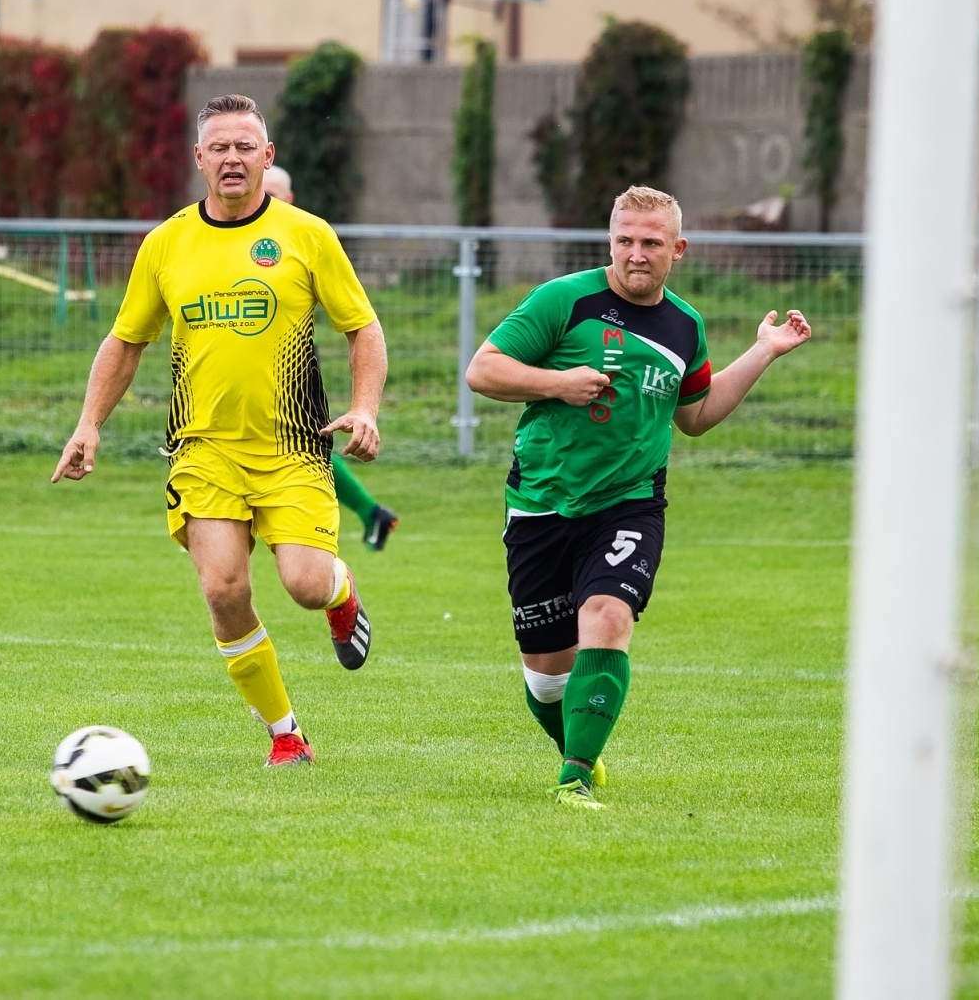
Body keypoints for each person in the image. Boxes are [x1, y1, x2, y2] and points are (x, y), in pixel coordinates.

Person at [52, 94, 387, 768]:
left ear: (267, 156)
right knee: (223, 588)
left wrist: (366, 406)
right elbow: (125, 340)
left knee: (301, 581)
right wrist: (89, 424)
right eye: (219, 147)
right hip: (203, 450)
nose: (232, 158)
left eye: (245, 146)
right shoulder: (167, 242)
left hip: (292, 447)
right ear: (198, 158)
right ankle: (285, 731)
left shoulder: (307, 235)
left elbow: (363, 327)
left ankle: (340, 590)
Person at [465, 186, 811, 810]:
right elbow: (483, 370)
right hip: (542, 502)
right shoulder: (564, 301)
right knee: (546, 682)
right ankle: (577, 746)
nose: (636, 253)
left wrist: (763, 351)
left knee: (608, 615)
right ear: (610, 241)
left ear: (677, 249)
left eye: (651, 243)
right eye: (624, 240)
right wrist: (558, 383)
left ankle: (575, 775)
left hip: (630, 504)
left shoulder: (685, 326)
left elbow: (697, 415)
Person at [261, 165, 400, 552]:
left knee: (306, 446)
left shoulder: (304, 236)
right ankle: (372, 512)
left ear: (289, 199)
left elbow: (359, 323)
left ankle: (366, 514)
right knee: (301, 447)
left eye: (273, 192)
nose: (265, 197)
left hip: (290, 366)